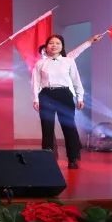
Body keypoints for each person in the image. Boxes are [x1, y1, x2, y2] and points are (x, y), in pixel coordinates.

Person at [32, 34, 84, 169]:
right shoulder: (40, 63)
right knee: (47, 128)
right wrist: (36, 99)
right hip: (46, 95)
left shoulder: (69, 61)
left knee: (69, 127)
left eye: (57, 43)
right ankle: (47, 159)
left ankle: (72, 158)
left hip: (64, 95)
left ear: (62, 46)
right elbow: (35, 83)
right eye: (51, 43)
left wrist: (80, 97)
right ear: (46, 46)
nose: (54, 45)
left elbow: (76, 80)